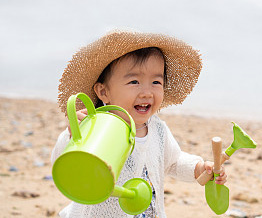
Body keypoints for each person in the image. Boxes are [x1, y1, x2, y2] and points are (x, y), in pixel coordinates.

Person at [51, 29, 227, 218]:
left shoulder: (158, 130)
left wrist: (199, 168)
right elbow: (64, 162)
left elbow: (174, 162)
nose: (147, 92)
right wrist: (73, 136)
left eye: (156, 82)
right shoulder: (97, 127)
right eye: (134, 81)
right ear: (103, 92)